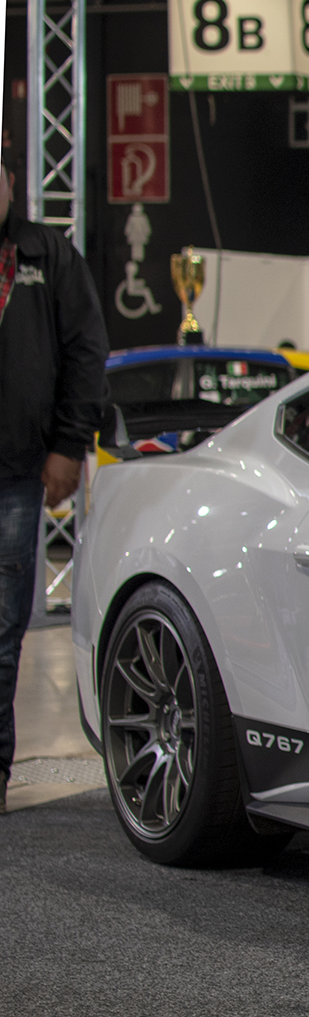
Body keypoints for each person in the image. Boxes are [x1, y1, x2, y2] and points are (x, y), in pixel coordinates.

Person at [0, 161, 108, 812]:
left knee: (3, 631)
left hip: (14, 471)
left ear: (10, 180)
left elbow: (85, 350)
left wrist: (70, 445)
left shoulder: (47, 255)